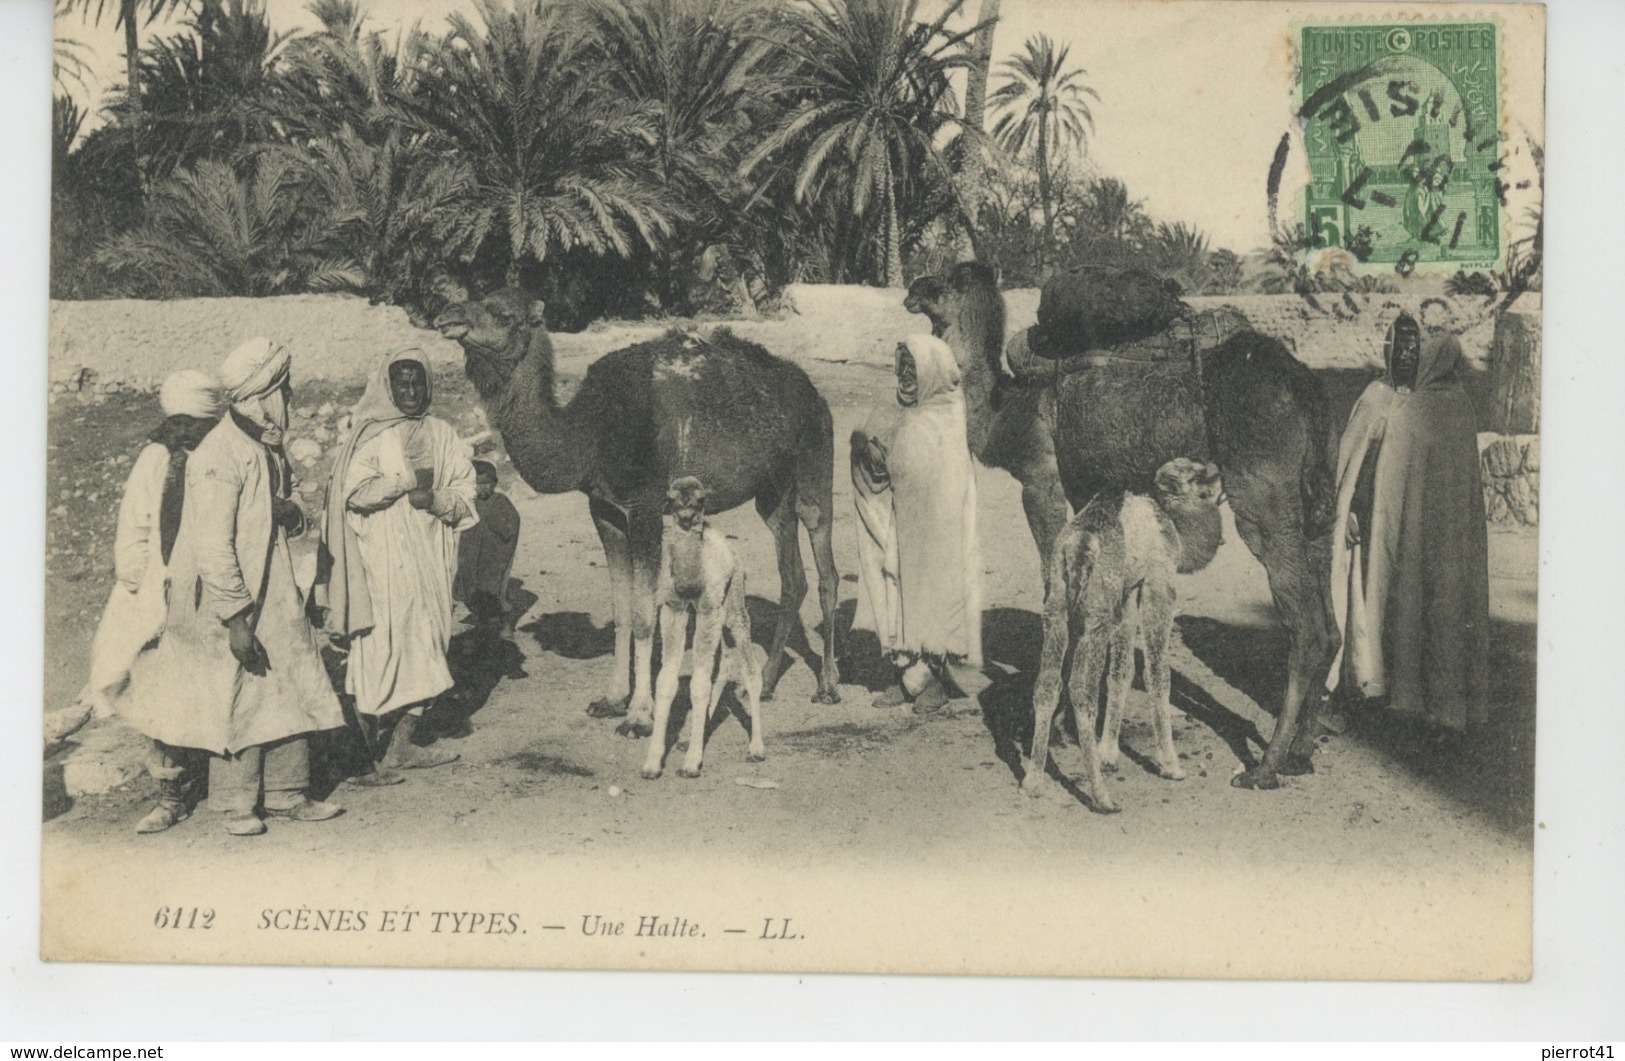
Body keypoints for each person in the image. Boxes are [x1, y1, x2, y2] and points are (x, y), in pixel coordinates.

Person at [124, 339, 346, 836]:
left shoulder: (265, 446)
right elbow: (212, 547)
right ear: (261, 393)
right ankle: (233, 803)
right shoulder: (219, 455)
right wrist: (237, 617)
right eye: (283, 389)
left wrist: (289, 514)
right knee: (235, 687)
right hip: (228, 597)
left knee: (288, 678)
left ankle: (289, 793)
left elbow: (286, 508)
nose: (290, 398)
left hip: (274, 586)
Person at [64, 371, 222, 830]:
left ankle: (210, 774)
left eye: (195, 423)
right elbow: (133, 531)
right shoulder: (156, 459)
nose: (187, 432)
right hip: (156, 593)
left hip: (206, 588)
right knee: (156, 690)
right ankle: (169, 793)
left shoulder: (218, 455)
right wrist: (144, 591)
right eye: (181, 423)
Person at [1326, 307, 1491, 737]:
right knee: (1370, 609)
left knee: (1426, 609)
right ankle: (1366, 694)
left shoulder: (1452, 408)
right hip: (1375, 530)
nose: (1405, 355)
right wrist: (1347, 513)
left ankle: (1425, 707)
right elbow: (1351, 466)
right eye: (1399, 345)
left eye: (1414, 346)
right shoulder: (1375, 396)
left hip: (1428, 540)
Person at [320, 350, 478, 778]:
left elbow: (465, 491)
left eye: (417, 384)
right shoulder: (371, 436)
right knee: (380, 649)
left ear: (429, 386)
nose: (410, 393)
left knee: (429, 644)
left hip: (431, 558)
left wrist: (438, 500)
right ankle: (363, 750)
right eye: (402, 384)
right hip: (383, 563)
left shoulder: (443, 434)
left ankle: (401, 747)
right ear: (388, 388)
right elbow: (352, 493)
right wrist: (405, 483)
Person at [851, 333, 983, 713]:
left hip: (941, 529)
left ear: (933, 370)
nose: (905, 376)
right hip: (902, 520)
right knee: (900, 590)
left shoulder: (951, 413)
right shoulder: (897, 408)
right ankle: (908, 675)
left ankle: (937, 677)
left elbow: (955, 481)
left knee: (936, 593)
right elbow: (874, 455)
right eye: (901, 367)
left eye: (914, 368)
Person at [454, 460, 522, 638]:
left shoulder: (500, 502)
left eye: (486, 484)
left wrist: (495, 526)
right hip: (471, 554)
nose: (482, 489)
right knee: (473, 588)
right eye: (478, 485)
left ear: (494, 484)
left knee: (495, 590)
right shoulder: (470, 502)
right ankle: (483, 620)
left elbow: (512, 523)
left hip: (493, 556)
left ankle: (506, 624)